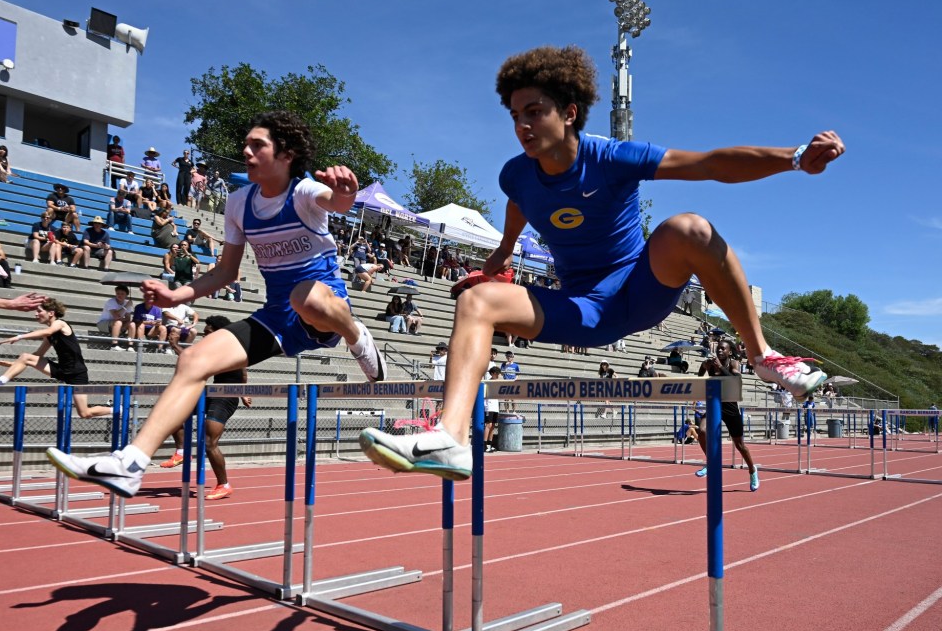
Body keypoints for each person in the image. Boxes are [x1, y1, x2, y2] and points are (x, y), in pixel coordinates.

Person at [360, 44, 843, 480]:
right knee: (477, 300)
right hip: (582, 310)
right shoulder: (516, 174)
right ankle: (451, 439)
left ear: (569, 113)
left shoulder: (612, 158)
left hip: (640, 288)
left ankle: (763, 357)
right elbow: (519, 201)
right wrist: (504, 251)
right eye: (514, 115)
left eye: (534, 111)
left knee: (688, 227)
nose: (522, 125)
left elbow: (710, 164)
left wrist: (795, 157)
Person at [47, 110, 386, 498]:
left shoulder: (304, 192)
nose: (246, 150)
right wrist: (176, 295)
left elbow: (338, 203)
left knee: (303, 294)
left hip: (323, 308)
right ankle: (130, 464)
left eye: (257, 145)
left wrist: (344, 192)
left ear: (286, 154)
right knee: (192, 361)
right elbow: (225, 272)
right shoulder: (239, 203)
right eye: (246, 143)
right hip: (277, 318)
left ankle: (357, 335)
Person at [159, 316, 252, 502]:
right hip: (213, 392)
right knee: (171, 412)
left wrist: (176, 346)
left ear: (218, 332)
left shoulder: (229, 347)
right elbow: (242, 372)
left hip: (226, 396)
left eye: (207, 331)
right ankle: (182, 451)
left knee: (209, 442)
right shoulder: (214, 347)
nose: (204, 334)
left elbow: (201, 366)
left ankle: (223, 484)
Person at [0, 299, 112, 418]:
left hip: (76, 373)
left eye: (39, 311)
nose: (36, 314)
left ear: (51, 313)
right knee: (25, 357)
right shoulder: (50, 335)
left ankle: (114, 409)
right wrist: (16, 363)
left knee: (84, 413)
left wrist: (19, 337)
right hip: (61, 369)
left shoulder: (60, 323)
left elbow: (47, 331)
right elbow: (38, 354)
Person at [694, 338, 759, 491]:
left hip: (730, 407)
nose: (720, 350)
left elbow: (736, 380)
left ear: (730, 351)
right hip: (714, 404)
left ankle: (752, 470)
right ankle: (711, 462)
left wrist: (721, 368)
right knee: (701, 431)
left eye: (723, 348)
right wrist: (698, 386)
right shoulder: (710, 363)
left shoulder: (733, 364)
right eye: (718, 348)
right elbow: (701, 370)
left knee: (740, 445)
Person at [96, 284, 134, 350]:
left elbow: (128, 318)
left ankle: (130, 346)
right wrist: (126, 306)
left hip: (117, 323)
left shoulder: (127, 303)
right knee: (118, 322)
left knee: (132, 324)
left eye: (122, 294)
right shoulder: (111, 302)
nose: (119, 295)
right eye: (118, 293)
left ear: (126, 295)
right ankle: (114, 345)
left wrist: (123, 323)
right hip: (104, 324)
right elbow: (115, 316)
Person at [483, 364, 502, 451]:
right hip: (489, 406)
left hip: (495, 406)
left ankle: (490, 445)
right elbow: (484, 395)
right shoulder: (487, 382)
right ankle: (484, 444)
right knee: (488, 425)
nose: (498, 375)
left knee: (493, 426)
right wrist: (485, 406)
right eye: (497, 374)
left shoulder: (497, 383)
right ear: (493, 373)